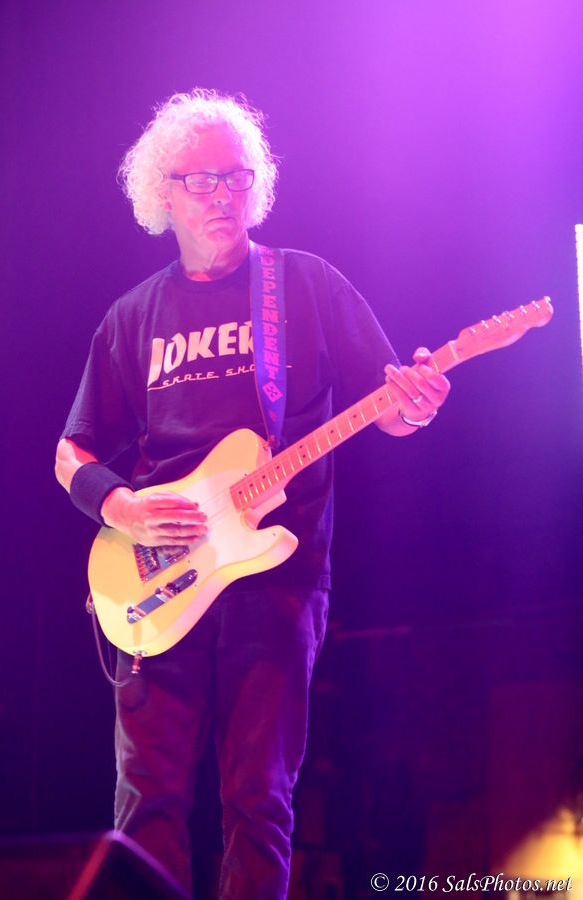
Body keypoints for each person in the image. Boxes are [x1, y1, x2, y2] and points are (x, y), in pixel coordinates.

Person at [55, 88, 450, 899]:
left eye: (236, 177)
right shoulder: (132, 317)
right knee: (146, 803)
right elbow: (72, 452)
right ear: (164, 194)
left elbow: (389, 407)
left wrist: (415, 405)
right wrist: (121, 507)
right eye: (201, 181)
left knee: (259, 800)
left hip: (277, 580)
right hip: (159, 574)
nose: (222, 196)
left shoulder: (304, 285)